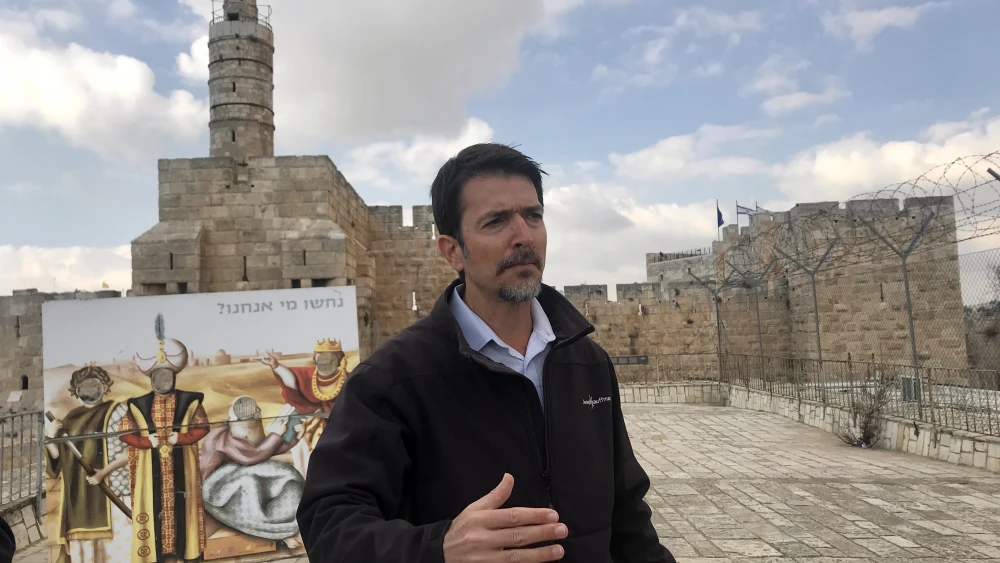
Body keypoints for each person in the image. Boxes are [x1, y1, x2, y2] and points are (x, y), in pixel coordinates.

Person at [297, 143, 675, 563]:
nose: (523, 236)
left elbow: (627, 517)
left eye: (533, 216)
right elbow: (328, 524)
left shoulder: (586, 363)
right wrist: (438, 548)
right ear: (453, 251)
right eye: (496, 222)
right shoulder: (391, 381)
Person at [120, 314, 210, 563]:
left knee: (185, 510)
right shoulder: (137, 404)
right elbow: (125, 431)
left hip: (183, 467)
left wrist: (180, 438)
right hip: (151, 469)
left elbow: (202, 427)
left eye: (166, 375)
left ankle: (187, 552)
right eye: (158, 376)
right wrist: (146, 442)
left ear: (174, 376)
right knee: (153, 507)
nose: (162, 380)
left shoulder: (190, 400)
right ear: (151, 378)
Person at [45, 365, 132, 563]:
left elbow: (133, 452)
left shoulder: (117, 411)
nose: (90, 387)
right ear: (76, 390)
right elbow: (57, 460)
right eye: (85, 384)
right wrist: (51, 436)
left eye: (95, 383)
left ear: (104, 386)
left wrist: (104, 472)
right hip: (79, 499)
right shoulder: (70, 418)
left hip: (114, 494)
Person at [199, 396, 306, 547]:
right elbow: (250, 457)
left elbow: (264, 451)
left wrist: (293, 438)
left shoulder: (251, 427)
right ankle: (273, 530)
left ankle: (281, 528)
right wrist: (276, 435)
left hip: (244, 469)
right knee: (249, 483)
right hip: (220, 483)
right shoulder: (222, 436)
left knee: (288, 479)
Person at [258, 338, 350, 477]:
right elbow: (292, 380)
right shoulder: (309, 374)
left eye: (329, 358)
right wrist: (275, 365)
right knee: (296, 443)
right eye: (321, 357)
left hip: (333, 423)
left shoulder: (348, 378)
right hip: (303, 417)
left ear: (338, 359)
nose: (325, 361)